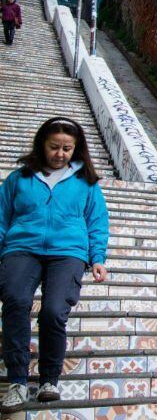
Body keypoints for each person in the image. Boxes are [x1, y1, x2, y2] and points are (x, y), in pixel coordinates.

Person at [0, 117, 109, 413]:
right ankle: (18, 381)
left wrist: (97, 257)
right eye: (54, 147)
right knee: (15, 302)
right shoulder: (19, 179)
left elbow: (97, 221)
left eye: (67, 149)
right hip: (22, 247)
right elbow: (2, 218)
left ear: (76, 149)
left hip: (69, 251)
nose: (60, 154)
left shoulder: (86, 182)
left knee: (52, 311)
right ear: (41, 145)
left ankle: (49, 379)